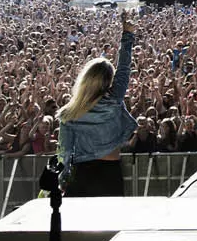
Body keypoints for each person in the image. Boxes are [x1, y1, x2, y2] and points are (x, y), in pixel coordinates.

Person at [57, 12, 138, 197]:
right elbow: (124, 68)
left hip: (80, 174)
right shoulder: (114, 100)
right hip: (109, 173)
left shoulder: (69, 112)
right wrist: (127, 34)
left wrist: (63, 178)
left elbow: (65, 151)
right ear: (109, 80)